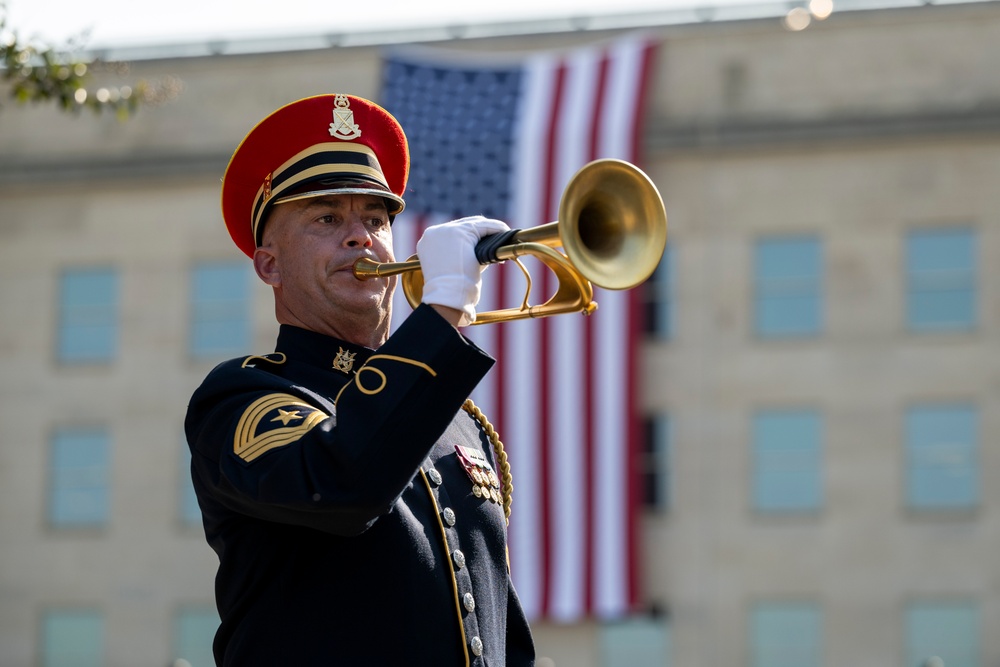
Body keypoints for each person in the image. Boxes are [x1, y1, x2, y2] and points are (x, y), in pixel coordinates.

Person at [185, 93, 535, 666]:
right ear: (269, 264)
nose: (360, 237)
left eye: (375, 219)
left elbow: (499, 629)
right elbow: (340, 487)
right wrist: (443, 311)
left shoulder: (456, 420)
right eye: (327, 218)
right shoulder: (242, 397)